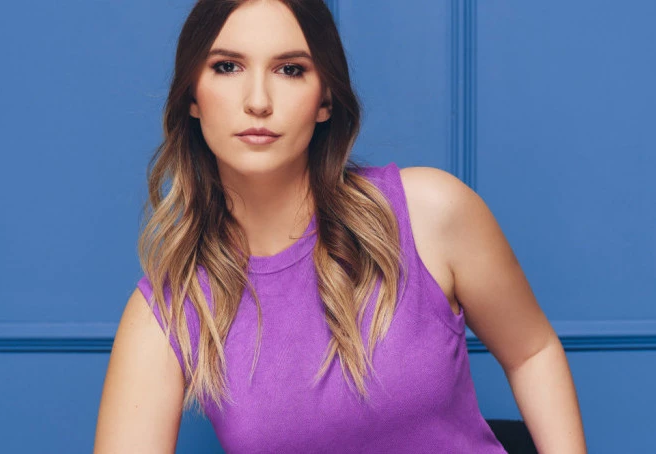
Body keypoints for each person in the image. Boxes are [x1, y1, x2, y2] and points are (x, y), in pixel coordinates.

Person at [94, 0, 587, 452]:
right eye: (227, 66)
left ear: (325, 99)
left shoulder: (428, 213)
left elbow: (533, 352)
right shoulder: (169, 310)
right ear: (192, 96)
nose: (258, 100)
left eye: (290, 69)